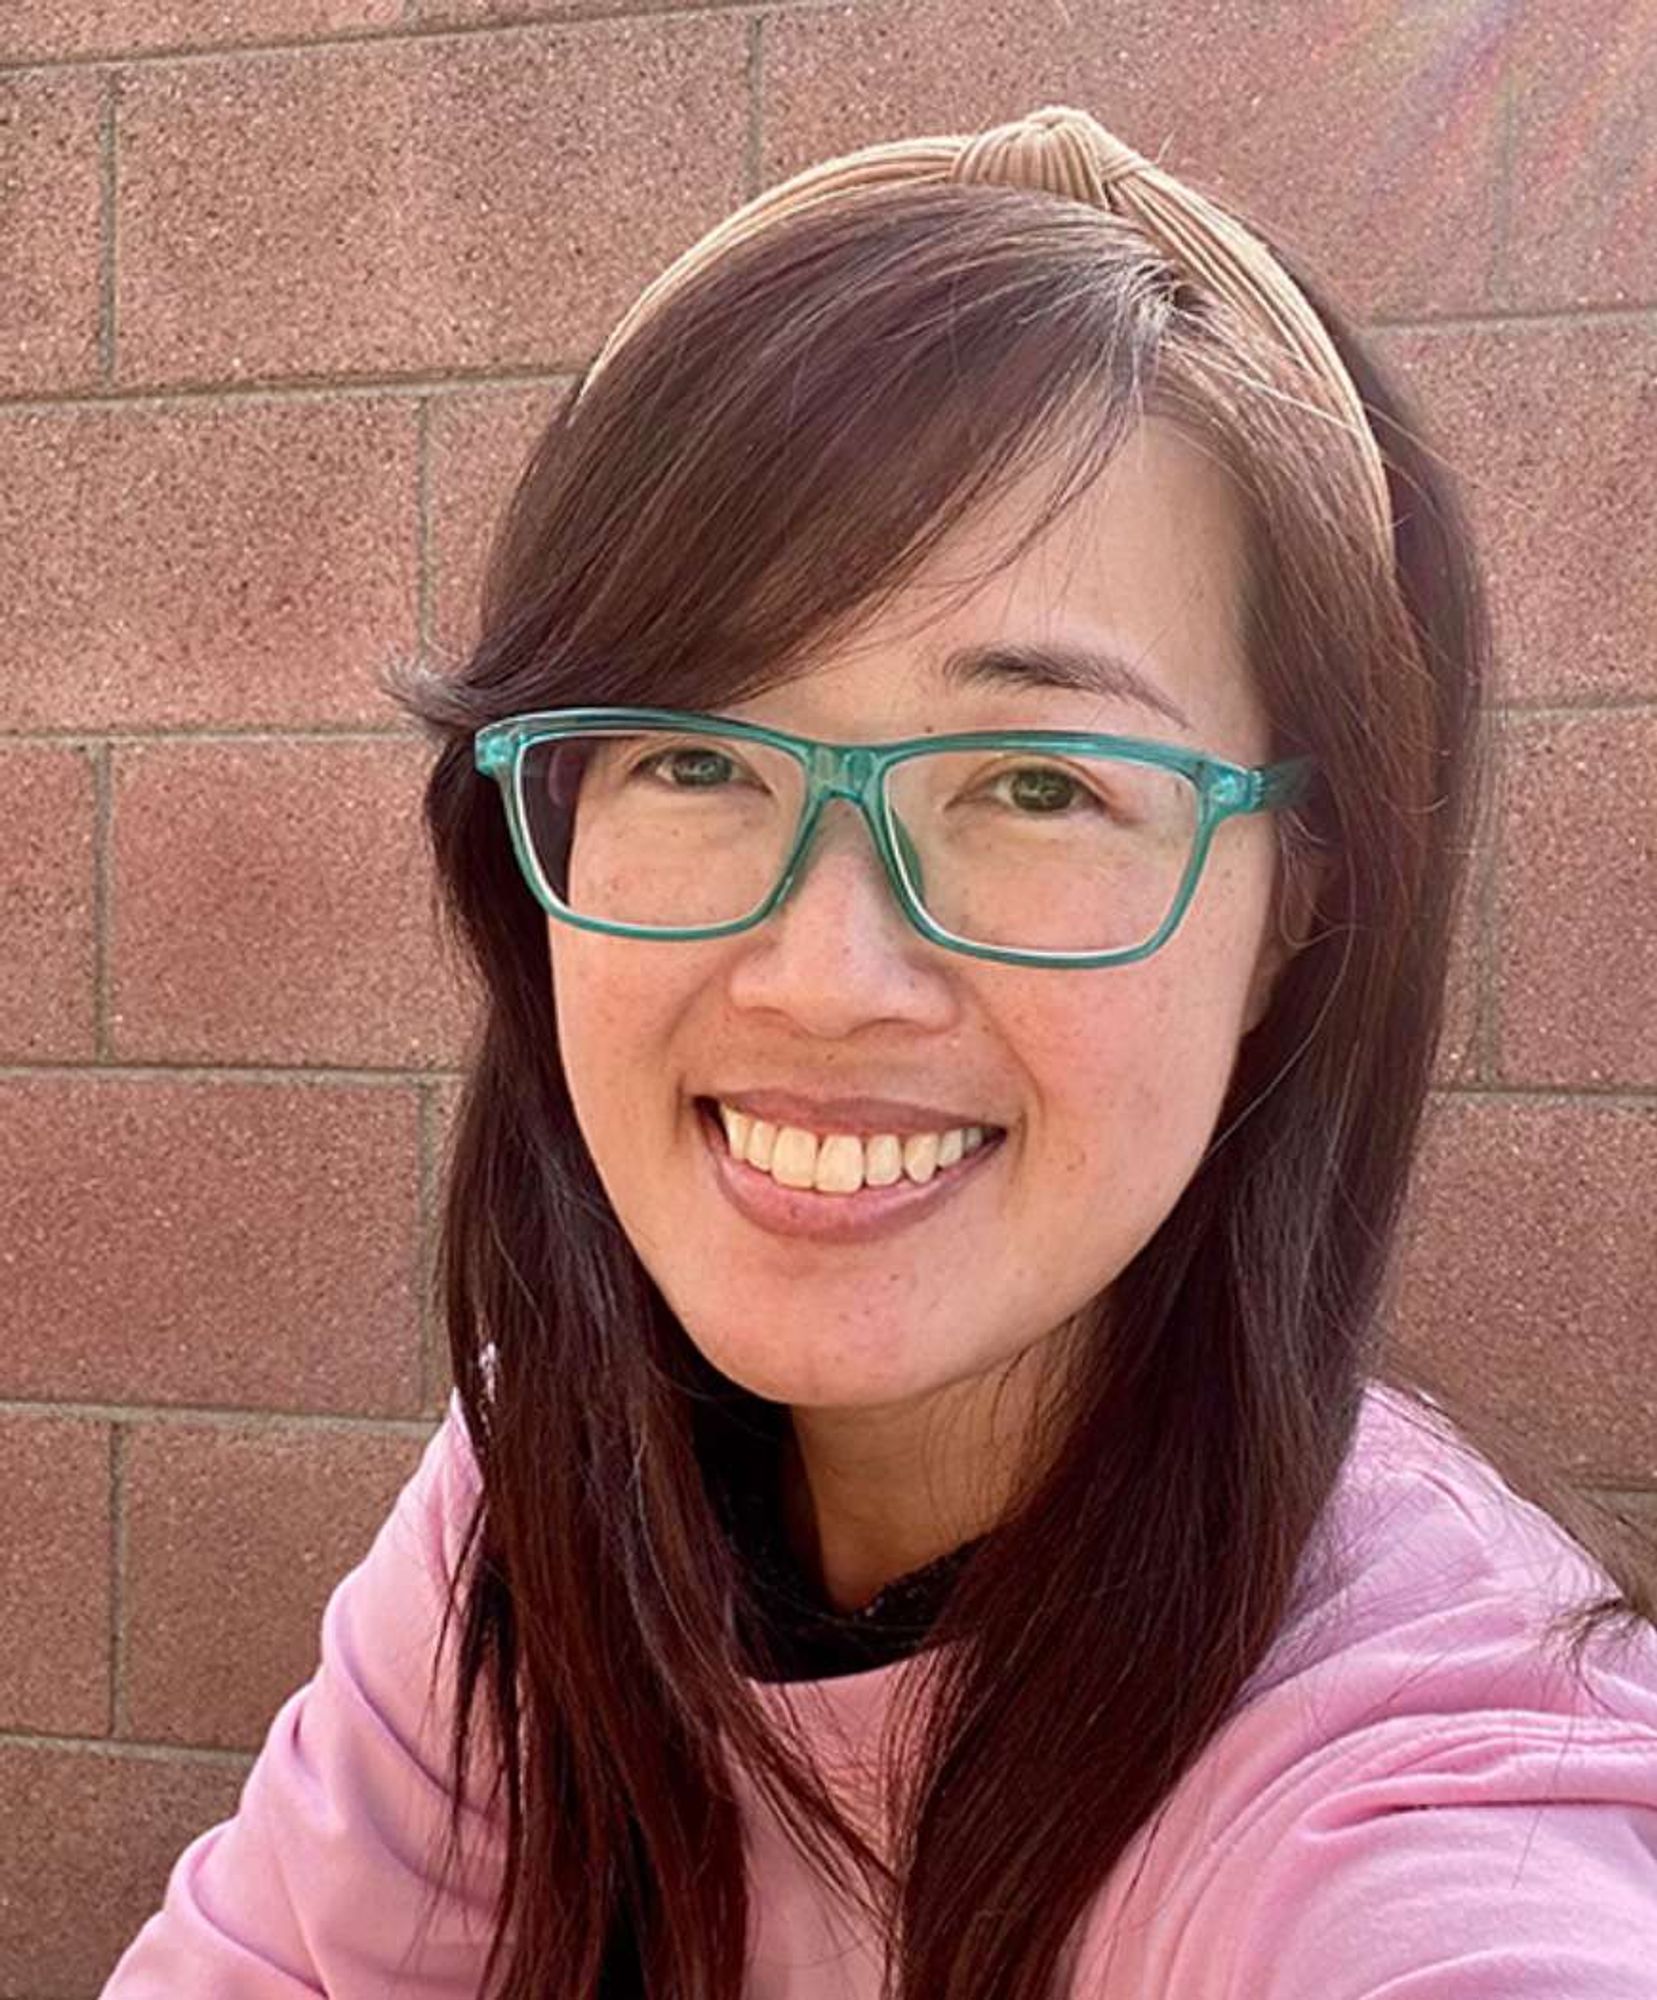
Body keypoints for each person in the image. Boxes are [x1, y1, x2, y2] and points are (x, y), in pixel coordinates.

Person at [103, 104, 1657, 1999]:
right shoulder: (555, 1494)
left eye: (1032, 780)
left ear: (1296, 904)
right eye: (692, 755)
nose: (825, 972)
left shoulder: (1412, 1792)